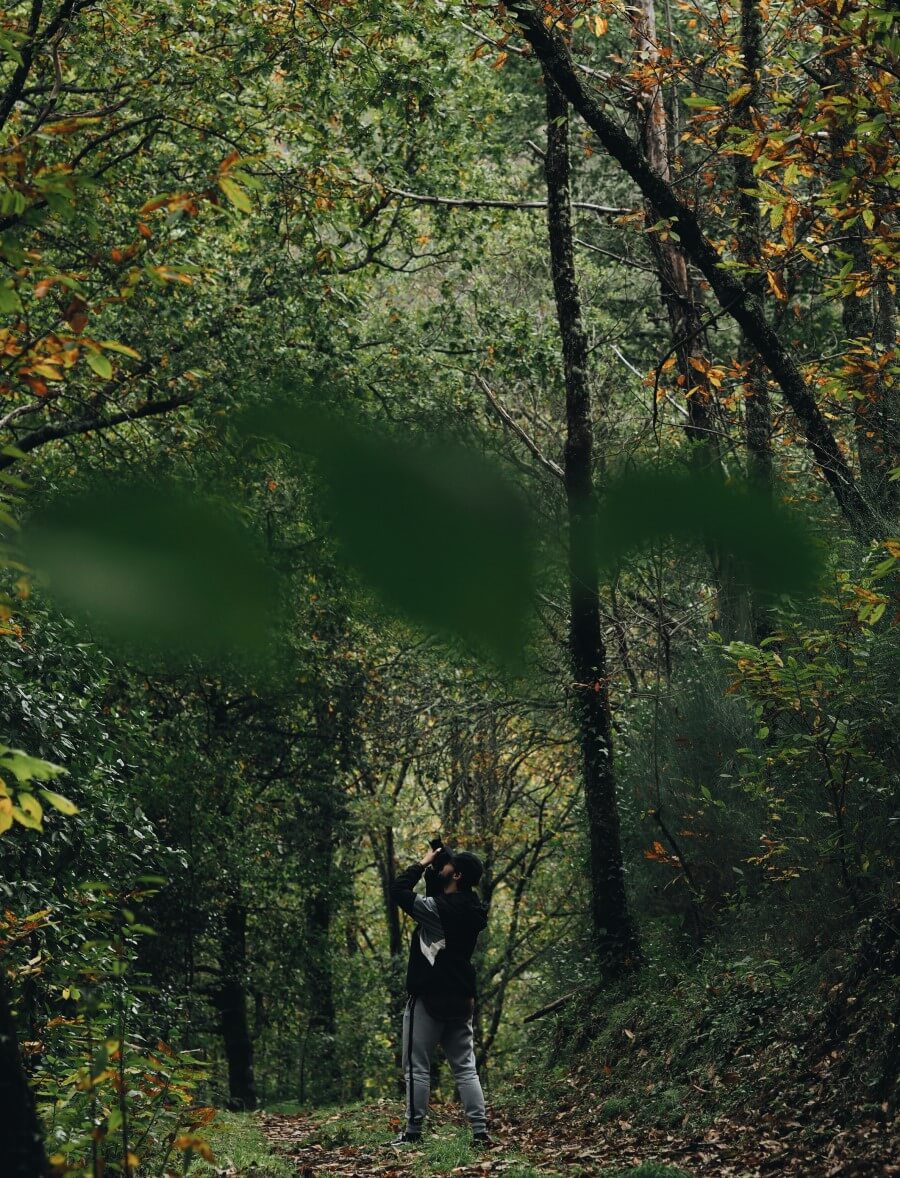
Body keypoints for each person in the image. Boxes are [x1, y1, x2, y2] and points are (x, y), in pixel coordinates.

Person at [388, 840, 492, 1149]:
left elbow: (398, 891)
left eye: (448, 866)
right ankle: (479, 1132)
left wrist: (421, 864)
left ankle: (412, 1132)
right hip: (461, 997)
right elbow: (441, 895)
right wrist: (440, 867)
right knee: (464, 1066)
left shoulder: (434, 910)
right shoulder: (472, 909)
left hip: (429, 997)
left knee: (417, 1066)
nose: (442, 866)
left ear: (456, 875)